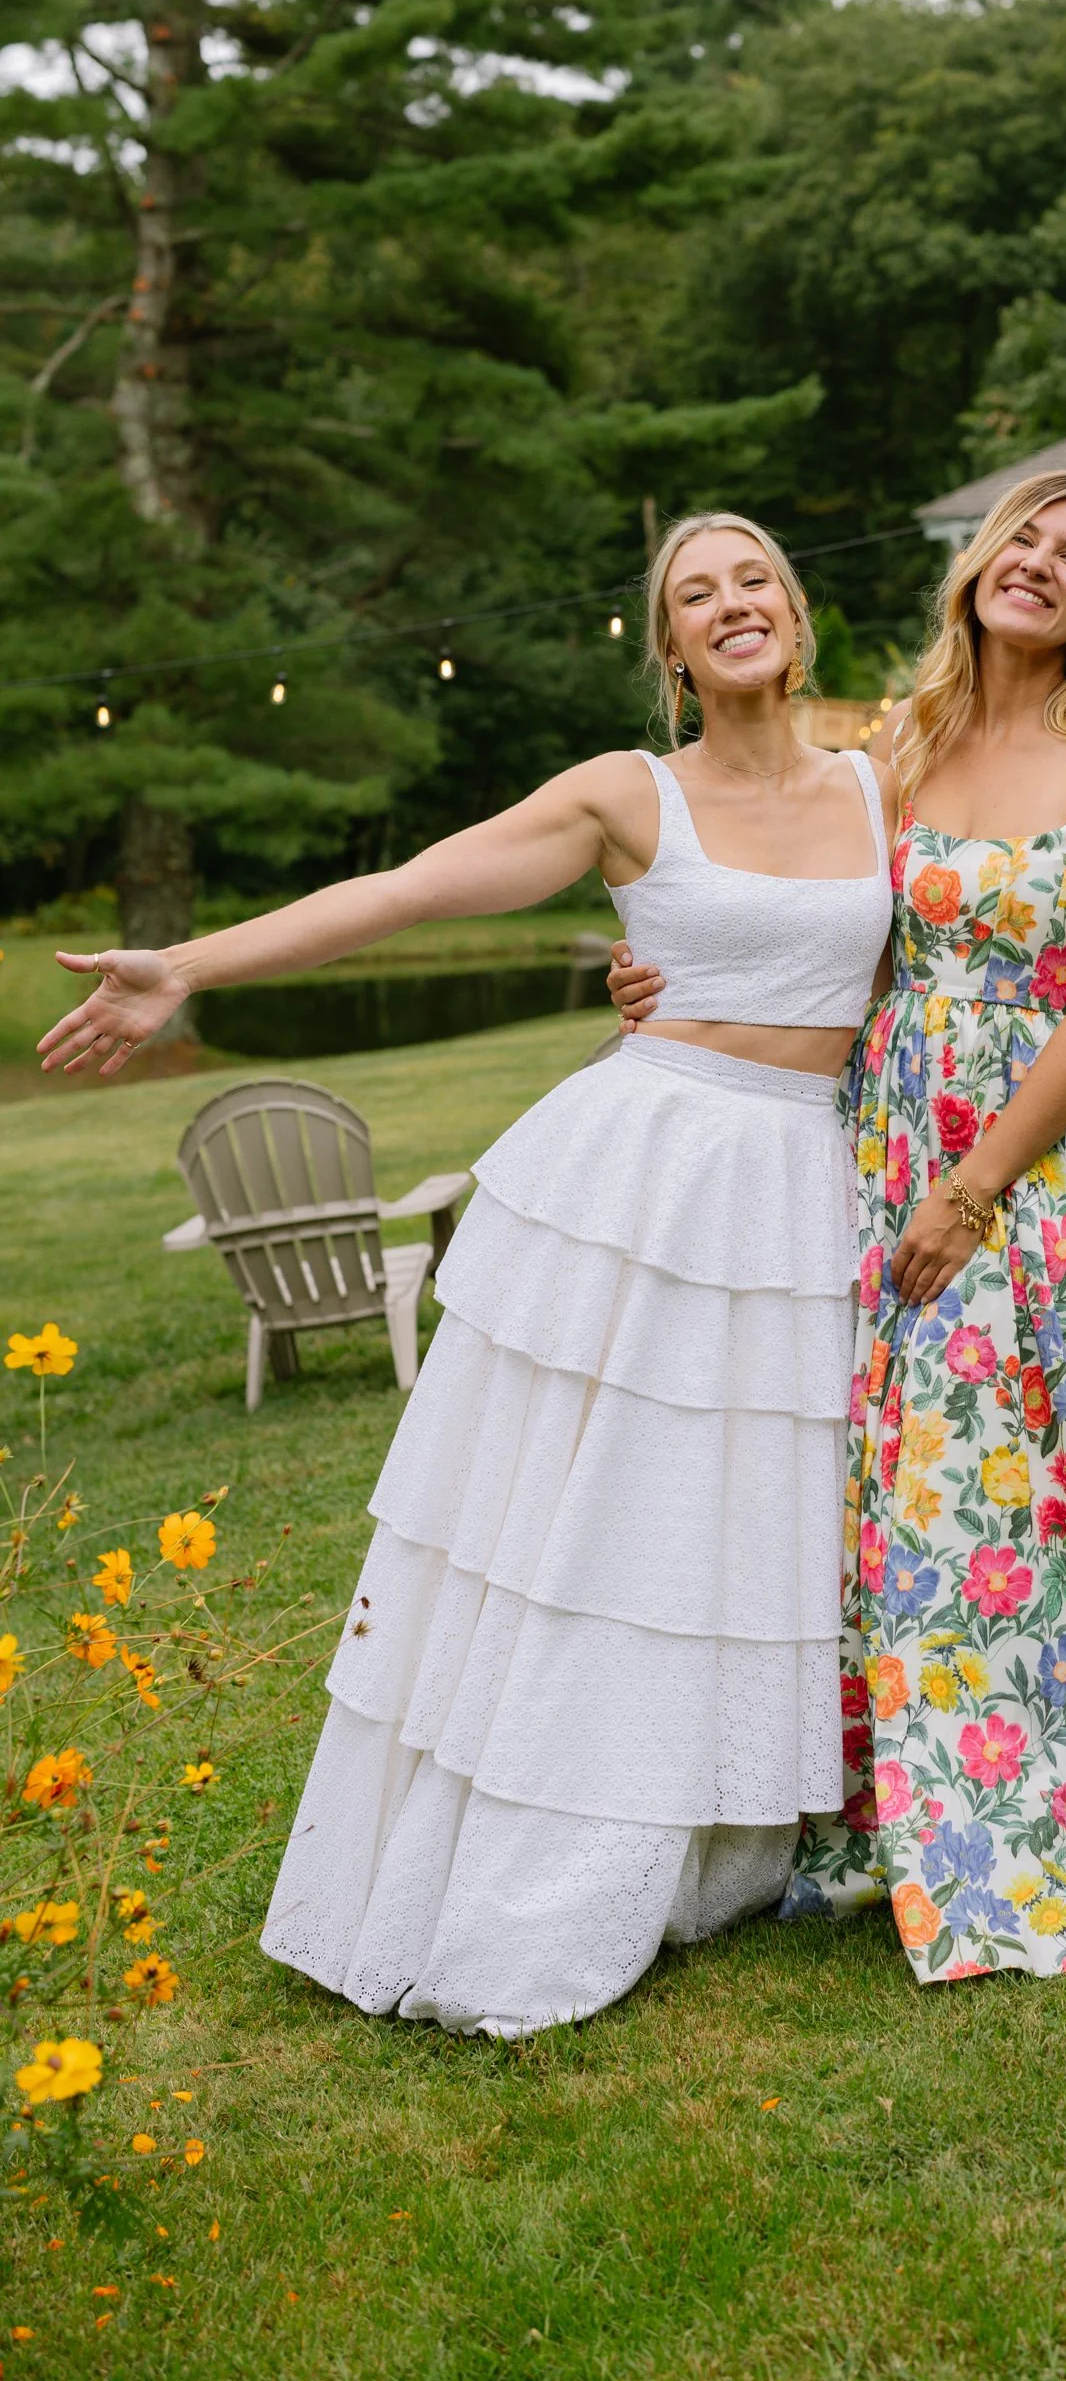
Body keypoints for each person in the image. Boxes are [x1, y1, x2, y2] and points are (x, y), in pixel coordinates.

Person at [38, 515, 894, 2036]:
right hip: (651, 1175)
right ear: (672, 651)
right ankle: (548, 1867)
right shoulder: (629, 796)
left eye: (751, 578)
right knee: (600, 1528)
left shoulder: (884, 783)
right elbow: (417, 888)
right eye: (695, 595)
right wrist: (192, 966)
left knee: (738, 1524)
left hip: (799, 1184)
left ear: (796, 611)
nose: (729, 606)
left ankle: (719, 1837)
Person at [610, 471, 1066, 1982]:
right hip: (879, 1142)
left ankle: (1049, 1806)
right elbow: (790, 907)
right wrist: (654, 974)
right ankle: (895, 1811)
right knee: (882, 1489)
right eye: (1019, 542)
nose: (1037, 567)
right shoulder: (893, 748)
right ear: (977, 565)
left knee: (1022, 1486)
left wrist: (971, 1194)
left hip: (1027, 1172)